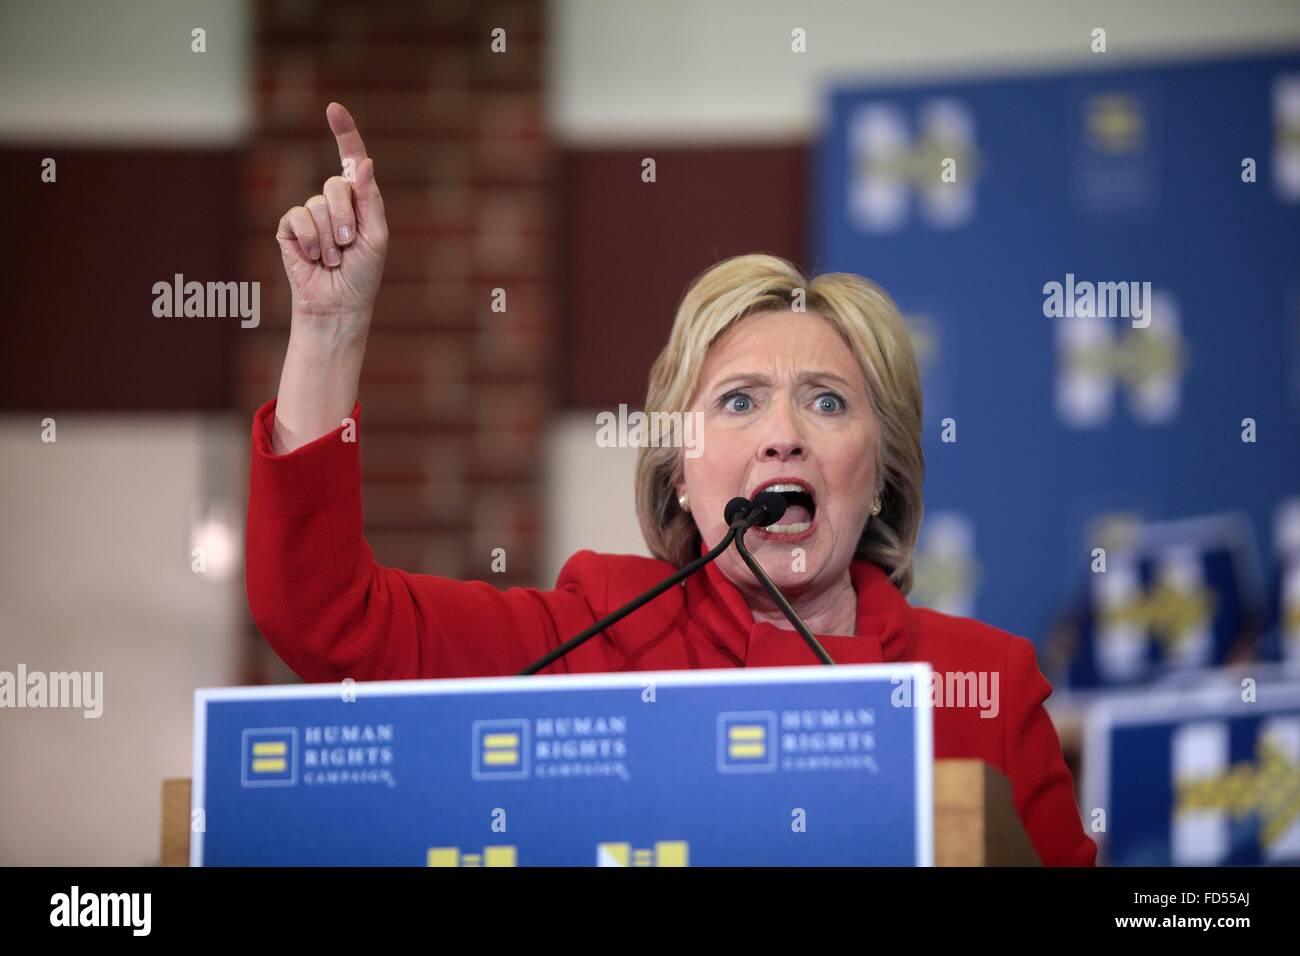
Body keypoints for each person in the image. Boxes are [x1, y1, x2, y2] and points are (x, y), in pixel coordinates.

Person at [249, 103, 1097, 866]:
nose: (783, 437)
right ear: (680, 474)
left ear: (882, 474)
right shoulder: (592, 641)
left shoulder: (985, 684)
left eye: (828, 402)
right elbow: (328, 620)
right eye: (738, 402)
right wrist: (328, 329)